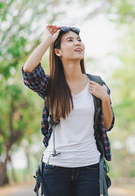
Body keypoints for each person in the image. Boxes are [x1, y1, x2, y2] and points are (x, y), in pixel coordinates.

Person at [21, 25, 115, 196]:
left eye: (79, 40)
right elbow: (28, 71)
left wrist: (105, 99)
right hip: (55, 168)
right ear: (58, 52)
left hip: (89, 166)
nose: (77, 43)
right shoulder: (51, 86)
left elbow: (107, 126)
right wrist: (48, 40)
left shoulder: (97, 84)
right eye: (70, 40)